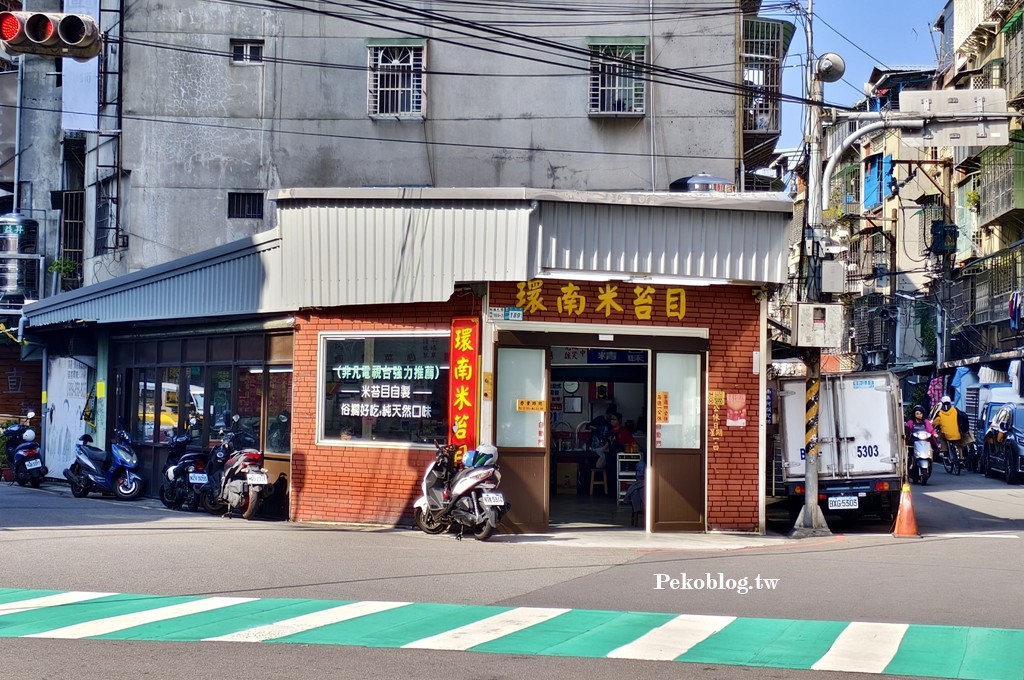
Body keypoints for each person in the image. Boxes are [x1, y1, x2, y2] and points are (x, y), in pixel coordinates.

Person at [932, 395, 974, 466]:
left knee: (941, 436)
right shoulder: (955, 410)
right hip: (957, 434)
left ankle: (944, 452)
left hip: (946, 435)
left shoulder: (940, 413)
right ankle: (961, 458)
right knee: (959, 444)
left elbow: (934, 424)